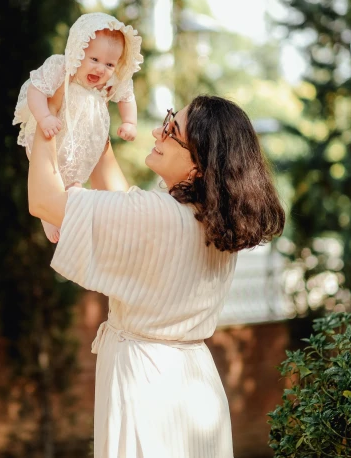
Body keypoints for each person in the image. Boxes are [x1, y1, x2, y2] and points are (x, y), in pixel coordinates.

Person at [27, 95, 285, 458]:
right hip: (195, 387)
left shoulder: (157, 215)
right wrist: (97, 130)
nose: (156, 132)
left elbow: (41, 200)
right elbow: (125, 214)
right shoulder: (214, 221)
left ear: (198, 163)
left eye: (171, 130)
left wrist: (45, 119)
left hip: (145, 385)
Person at [14, 12, 143, 243]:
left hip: (82, 143)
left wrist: (129, 122)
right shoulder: (62, 69)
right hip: (54, 131)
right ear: (77, 51)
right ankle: (48, 215)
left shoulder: (107, 84)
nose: (101, 69)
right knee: (50, 171)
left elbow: (126, 95)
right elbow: (36, 89)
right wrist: (44, 117)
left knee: (77, 173)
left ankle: (73, 190)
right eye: (94, 59)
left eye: (110, 64)